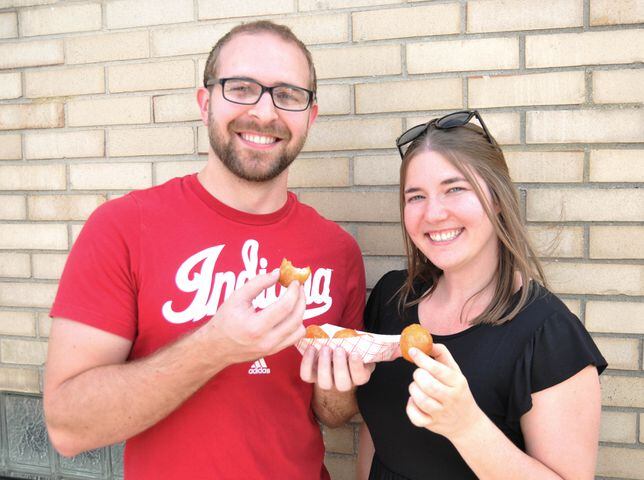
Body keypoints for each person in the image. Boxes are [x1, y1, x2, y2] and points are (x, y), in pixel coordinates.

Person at [44, 21, 372, 480]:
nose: (264, 112)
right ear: (205, 103)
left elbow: (333, 414)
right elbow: (67, 427)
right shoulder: (124, 227)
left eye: (289, 95)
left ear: (310, 117)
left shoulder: (337, 251)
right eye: (241, 88)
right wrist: (214, 347)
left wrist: (337, 389)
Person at [355, 110, 607, 479]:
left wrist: (466, 426)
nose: (434, 213)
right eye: (416, 196)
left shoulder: (548, 335)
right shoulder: (392, 298)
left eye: (455, 189)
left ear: (498, 196)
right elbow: (375, 438)